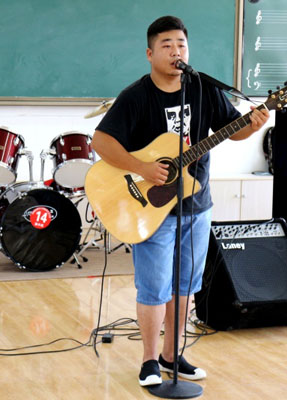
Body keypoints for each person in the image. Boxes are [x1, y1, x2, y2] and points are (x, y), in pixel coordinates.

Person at [91, 16, 269, 386]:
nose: (176, 52)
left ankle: (172, 356)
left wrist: (252, 126)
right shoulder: (136, 96)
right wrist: (142, 167)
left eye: (182, 45)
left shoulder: (203, 88)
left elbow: (229, 131)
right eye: (167, 45)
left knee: (186, 285)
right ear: (150, 53)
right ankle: (149, 360)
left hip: (196, 204)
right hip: (151, 208)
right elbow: (101, 142)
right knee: (154, 287)